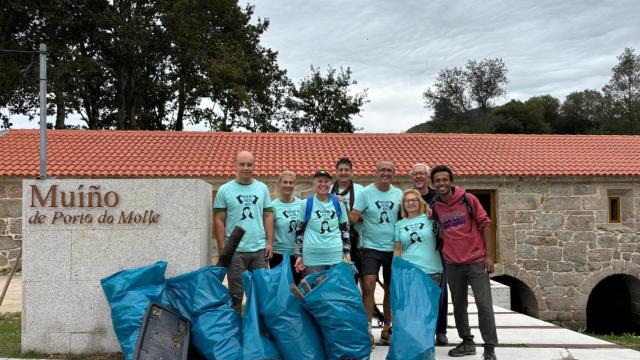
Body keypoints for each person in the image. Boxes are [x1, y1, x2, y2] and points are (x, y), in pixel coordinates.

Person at [430, 165, 498, 360]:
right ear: (433, 184)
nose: (441, 183)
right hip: (452, 263)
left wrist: (489, 256)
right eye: (437, 181)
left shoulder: (468, 199)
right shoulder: (435, 206)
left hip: (476, 261)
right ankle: (467, 342)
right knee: (459, 306)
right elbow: (437, 229)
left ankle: (489, 348)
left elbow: (485, 224)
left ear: (451, 181)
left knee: (484, 305)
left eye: (444, 180)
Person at [213, 151, 274, 312]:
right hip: (235, 252)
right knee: (236, 295)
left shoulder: (262, 188)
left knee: (262, 292)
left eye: (249, 164)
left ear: (254, 166)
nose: (246, 168)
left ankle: (259, 328)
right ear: (235, 165)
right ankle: (236, 330)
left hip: (259, 249)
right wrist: (222, 247)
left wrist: (269, 242)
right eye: (242, 164)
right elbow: (219, 219)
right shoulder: (225, 190)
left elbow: (268, 215)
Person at [350, 160, 402, 347]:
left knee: (390, 288)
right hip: (370, 247)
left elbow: (406, 217)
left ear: (393, 174)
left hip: (393, 248)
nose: (386, 173)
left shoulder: (398, 193)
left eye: (390, 170)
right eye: (383, 170)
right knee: (368, 284)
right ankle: (367, 329)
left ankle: (387, 328)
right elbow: (353, 217)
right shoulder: (365, 193)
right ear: (376, 172)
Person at [411, 163, 449, 346]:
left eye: (422, 174)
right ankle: (420, 329)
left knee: (439, 291)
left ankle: (440, 330)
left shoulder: (438, 195)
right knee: (418, 292)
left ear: (428, 177)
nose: (419, 177)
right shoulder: (410, 197)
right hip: (416, 251)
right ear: (412, 177)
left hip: (438, 249)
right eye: (415, 174)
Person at [294, 170, 351, 277]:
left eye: (326, 181)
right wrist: (299, 255)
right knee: (314, 290)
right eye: (319, 181)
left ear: (330, 184)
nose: (323, 184)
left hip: (335, 255)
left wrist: (347, 253)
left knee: (334, 290)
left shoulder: (339, 203)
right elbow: (299, 231)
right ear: (314, 183)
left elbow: (345, 229)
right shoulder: (305, 203)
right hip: (312, 258)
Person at [393, 189, 443, 283]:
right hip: (408, 271)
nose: (410, 203)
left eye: (414, 200)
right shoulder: (399, 224)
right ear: (403, 204)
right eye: (407, 201)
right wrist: (395, 269)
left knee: (428, 298)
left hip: (431, 271)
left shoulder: (430, 218)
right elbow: (397, 249)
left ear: (419, 202)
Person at [330, 157, 365, 283]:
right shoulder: (329, 190)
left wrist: (349, 214)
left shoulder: (360, 190)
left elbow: (366, 214)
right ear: (336, 172)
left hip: (356, 241)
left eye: (346, 170)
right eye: (341, 170)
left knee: (353, 277)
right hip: (334, 239)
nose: (343, 172)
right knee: (336, 276)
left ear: (351, 172)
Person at [271, 170, 304, 284]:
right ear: (279, 184)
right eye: (285, 182)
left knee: (297, 288)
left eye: (291, 182)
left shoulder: (302, 204)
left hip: (297, 255)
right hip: (278, 254)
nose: (288, 185)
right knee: (279, 288)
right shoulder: (273, 206)